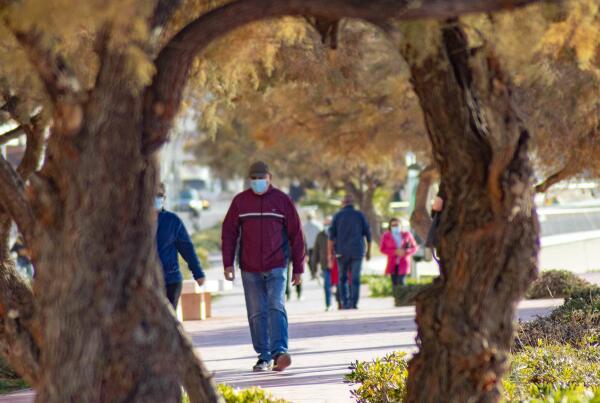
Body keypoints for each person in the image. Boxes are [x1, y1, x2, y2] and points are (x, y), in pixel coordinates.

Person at [222, 161, 305, 372]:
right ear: (249, 180)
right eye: (254, 178)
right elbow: (229, 233)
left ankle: (279, 352)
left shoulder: (283, 201)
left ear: (270, 178)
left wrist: (298, 268)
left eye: (262, 178)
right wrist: (227, 263)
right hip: (249, 268)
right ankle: (264, 355)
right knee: (257, 312)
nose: (258, 182)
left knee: (276, 305)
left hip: (277, 265)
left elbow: (296, 235)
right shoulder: (240, 202)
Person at [155, 183, 206, 309]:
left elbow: (186, 248)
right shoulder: (135, 222)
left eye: (159, 195)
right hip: (145, 283)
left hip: (170, 280)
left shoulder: (172, 221)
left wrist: (198, 273)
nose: (156, 198)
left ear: (164, 198)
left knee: (168, 321)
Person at [328, 194, 371, 309]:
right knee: (355, 278)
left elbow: (331, 237)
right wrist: (368, 252)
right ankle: (354, 303)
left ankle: (345, 303)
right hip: (357, 251)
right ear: (353, 203)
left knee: (342, 278)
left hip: (341, 252)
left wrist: (329, 255)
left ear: (343, 203)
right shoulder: (359, 215)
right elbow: (368, 234)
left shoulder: (337, 216)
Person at [380, 218, 419, 288]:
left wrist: (405, 252)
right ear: (390, 226)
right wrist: (394, 252)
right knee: (394, 284)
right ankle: (397, 298)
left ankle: (403, 298)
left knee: (401, 283)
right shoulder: (386, 236)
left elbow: (414, 247)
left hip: (403, 263)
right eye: (393, 225)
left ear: (401, 225)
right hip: (392, 264)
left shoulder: (407, 234)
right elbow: (383, 249)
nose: (395, 226)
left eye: (397, 225)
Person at [313, 216, 339, 311]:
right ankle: (328, 305)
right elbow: (315, 252)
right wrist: (314, 268)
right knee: (327, 285)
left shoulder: (338, 234)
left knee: (339, 285)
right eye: (325, 224)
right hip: (325, 265)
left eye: (329, 224)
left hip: (337, 264)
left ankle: (340, 302)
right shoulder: (320, 235)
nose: (327, 226)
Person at [303, 212, 322, 280]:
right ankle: (317, 272)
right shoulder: (318, 224)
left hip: (308, 245)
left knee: (309, 260)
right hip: (317, 245)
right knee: (317, 259)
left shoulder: (304, 226)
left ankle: (312, 272)